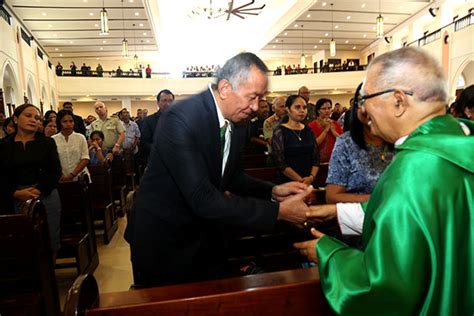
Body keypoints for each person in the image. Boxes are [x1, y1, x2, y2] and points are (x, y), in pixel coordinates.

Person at [294, 47, 473, 314]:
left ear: (399, 101)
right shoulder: (460, 141)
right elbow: (428, 220)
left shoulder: (412, 171)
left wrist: (328, 254)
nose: (363, 111)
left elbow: (385, 290)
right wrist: (338, 212)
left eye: (366, 99)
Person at [126, 52, 313, 288]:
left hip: (206, 234)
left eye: (261, 98)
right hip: (164, 239)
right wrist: (278, 211)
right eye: (252, 97)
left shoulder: (237, 121)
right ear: (225, 88)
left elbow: (232, 176)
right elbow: (202, 197)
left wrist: (273, 191)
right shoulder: (180, 118)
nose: (256, 107)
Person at [0, 104, 62, 256]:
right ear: (15, 119)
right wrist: (15, 193)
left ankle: (49, 274)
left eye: (37, 118)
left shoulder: (47, 142)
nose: (33, 120)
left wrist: (38, 190)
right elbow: (1, 175)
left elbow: (55, 171)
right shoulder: (3, 145)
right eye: (28, 116)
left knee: (49, 238)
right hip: (15, 196)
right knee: (22, 241)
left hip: (45, 194)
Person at [326, 83, 394, 204]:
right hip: (358, 217)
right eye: (362, 102)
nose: (367, 109)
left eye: (377, 103)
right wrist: (379, 200)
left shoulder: (401, 140)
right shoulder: (346, 143)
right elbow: (332, 196)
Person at [272, 95, 320, 185]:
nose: (302, 110)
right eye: (297, 107)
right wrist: (300, 180)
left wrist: (311, 177)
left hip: (309, 180)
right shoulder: (280, 131)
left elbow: (316, 157)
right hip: (288, 181)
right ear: (288, 109)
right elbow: (280, 162)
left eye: (304, 107)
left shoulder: (308, 130)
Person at [52, 110, 89, 182]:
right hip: (60, 178)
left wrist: (72, 175)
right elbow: (52, 161)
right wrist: (61, 175)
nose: (68, 124)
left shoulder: (80, 137)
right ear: (59, 123)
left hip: (80, 177)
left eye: (71, 121)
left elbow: (85, 158)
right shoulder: (53, 139)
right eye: (65, 122)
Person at [139, 89, 174, 159]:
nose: (168, 104)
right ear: (158, 103)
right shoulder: (149, 120)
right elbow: (144, 142)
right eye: (164, 100)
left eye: (170, 101)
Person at [308, 98, 343, 162]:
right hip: (317, 164)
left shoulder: (336, 124)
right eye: (324, 109)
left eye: (329, 108)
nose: (327, 111)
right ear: (318, 110)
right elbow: (313, 144)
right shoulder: (311, 126)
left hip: (335, 161)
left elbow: (342, 142)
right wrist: (326, 130)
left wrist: (333, 131)